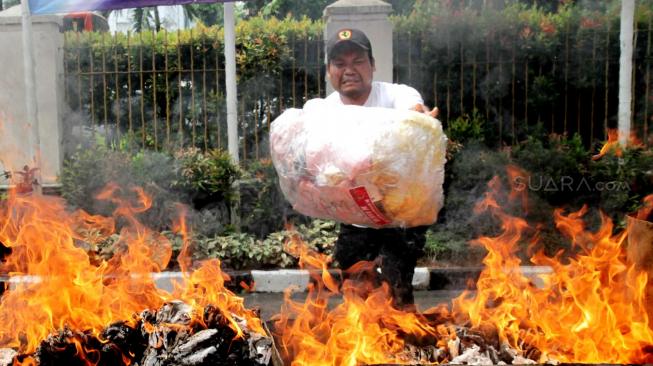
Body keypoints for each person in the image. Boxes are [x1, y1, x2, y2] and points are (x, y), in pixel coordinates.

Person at [323, 28, 438, 309]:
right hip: (356, 217)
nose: (349, 70)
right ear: (329, 72)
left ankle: (405, 343)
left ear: (372, 65)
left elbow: (413, 110)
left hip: (400, 218)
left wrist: (417, 118)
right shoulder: (325, 113)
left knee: (396, 290)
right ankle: (365, 349)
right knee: (357, 293)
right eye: (340, 64)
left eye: (358, 61)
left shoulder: (396, 95)